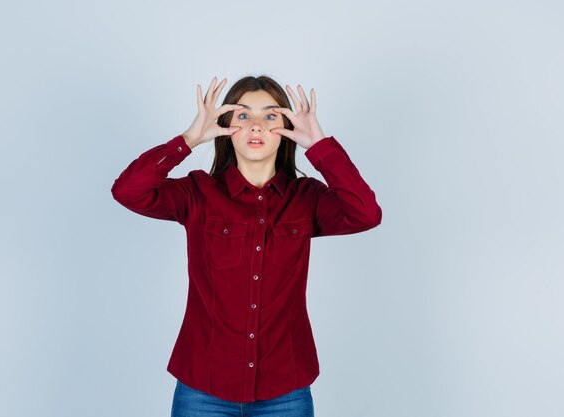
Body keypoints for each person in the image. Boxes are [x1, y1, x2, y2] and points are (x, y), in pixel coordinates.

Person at [111, 75, 382, 417]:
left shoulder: (307, 198)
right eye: (243, 115)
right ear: (225, 127)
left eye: (270, 116)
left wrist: (320, 146)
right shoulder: (197, 194)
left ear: (286, 127)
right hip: (203, 390)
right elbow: (128, 191)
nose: (256, 125)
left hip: (285, 392)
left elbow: (366, 214)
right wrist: (189, 139)